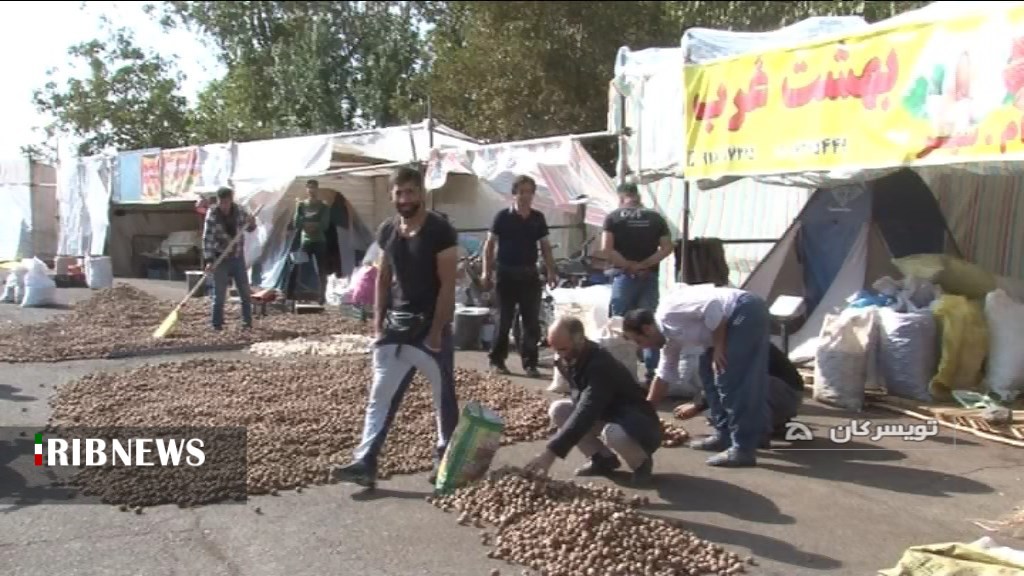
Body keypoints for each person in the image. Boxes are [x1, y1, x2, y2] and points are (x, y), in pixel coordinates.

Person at [333, 166, 460, 490]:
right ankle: (366, 460)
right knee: (380, 396)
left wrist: (437, 330)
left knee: (443, 397)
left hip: (430, 327)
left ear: (422, 193)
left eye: (411, 192)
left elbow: (448, 286)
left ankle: (445, 460)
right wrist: (377, 323)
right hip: (395, 326)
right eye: (399, 193)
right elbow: (383, 278)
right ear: (392, 196)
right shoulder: (388, 230)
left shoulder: (440, 231)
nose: (405, 199)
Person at [622, 285, 771, 467]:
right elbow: (664, 375)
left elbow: (713, 307)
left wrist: (719, 346)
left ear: (646, 329)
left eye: (639, 341)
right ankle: (724, 434)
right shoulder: (670, 341)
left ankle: (743, 448)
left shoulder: (668, 313)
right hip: (729, 323)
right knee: (707, 373)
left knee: (729, 379)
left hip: (744, 311)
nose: (643, 347)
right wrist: (646, 411)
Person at [524, 316, 661, 486]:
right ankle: (602, 459)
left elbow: (588, 410)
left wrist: (550, 453)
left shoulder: (600, 365)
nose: (559, 355)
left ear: (580, 340)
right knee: (559, 410)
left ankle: (641, 464)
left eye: (563, 349)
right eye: (555, 349)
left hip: (636, 423)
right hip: (606, 414)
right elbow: (581, 403)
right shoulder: (568, 359)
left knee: (612, 432)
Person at [481, 175, 557, 378]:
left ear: (533, 195)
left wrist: (551, 270)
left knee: (531, 322)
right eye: (521, 191)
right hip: (506, 274)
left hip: (529, 274)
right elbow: (489, 246)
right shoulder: (502, 217)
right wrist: (486, 272)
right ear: (514, 194)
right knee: (504, 319)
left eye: (529, 192)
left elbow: (545, 247)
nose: (525, 196)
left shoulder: (537, 218)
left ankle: (530, 363)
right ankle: (497, 360)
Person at [601, 182, 673, 385]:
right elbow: (667, 248)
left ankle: (620, 370)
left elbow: (607, 248)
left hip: (624, 276)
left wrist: (628, 265)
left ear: (621, 197)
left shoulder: (613, 217)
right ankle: (653, 374)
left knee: (620, 322)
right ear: (638, 196)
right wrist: (645, 264)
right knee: (648, 324)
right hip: (648, 275)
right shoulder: (655, 217)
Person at [673, 343, 804, 440]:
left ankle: (757, 433)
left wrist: (697, 405)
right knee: (715, 414)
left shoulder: (743, 343)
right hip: (776, 395)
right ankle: (774, 423)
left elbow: (732, 380)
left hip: (786, 395)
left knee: (746, 384)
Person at [202, 186, 257, 331]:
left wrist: (252, 223)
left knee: (244, 291)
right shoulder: (212, 214)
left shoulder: (240, 211)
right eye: (222, 203)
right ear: (218, 201)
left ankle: (247, 323)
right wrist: (209, 260)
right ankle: (217, 324)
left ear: (231, 200)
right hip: (220, 257)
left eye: (227, 202)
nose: (225, 206)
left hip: (238, 256)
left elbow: (250, 228)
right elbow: (207, 239)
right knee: (219, 295)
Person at [291, 179, 332, 304]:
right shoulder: (302, 205)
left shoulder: (323, 206)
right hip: (306, 241)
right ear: (306, 189)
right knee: (299, 267)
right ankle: (296, 295)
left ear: (317, 189)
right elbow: (296, 223)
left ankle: (321, 296)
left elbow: (325, 224)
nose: (311, 190)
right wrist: (306, 223)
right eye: (309, 188)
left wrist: (312, 226)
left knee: (321, 270)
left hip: (319, 240)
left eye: (313, 187)